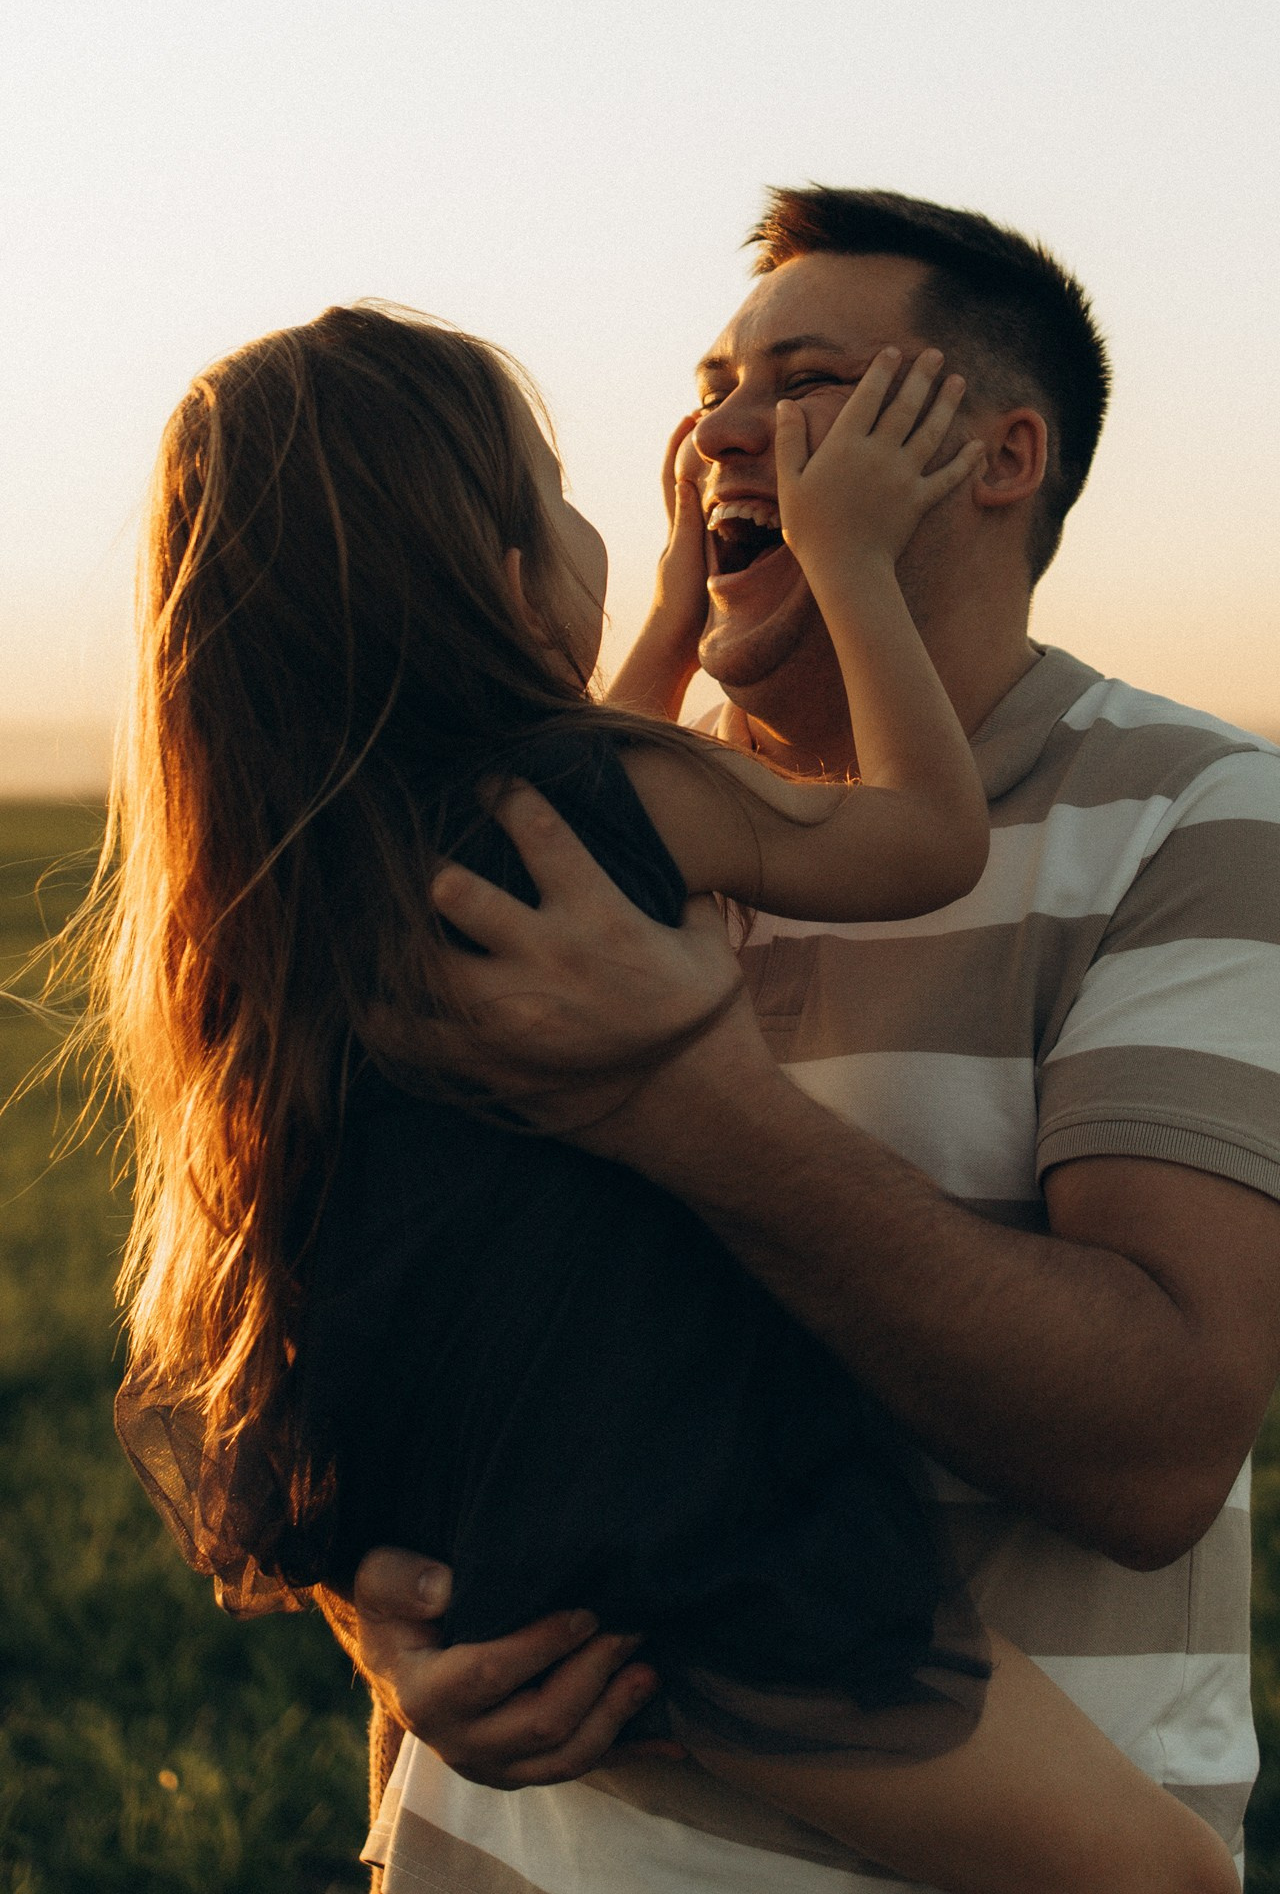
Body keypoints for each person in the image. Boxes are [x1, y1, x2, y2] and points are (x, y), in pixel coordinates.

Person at [98, 300, 1233, 1894]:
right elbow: (924, 835)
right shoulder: (622, 799)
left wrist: (661, 628)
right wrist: (843, 560)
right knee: (1162, 1877)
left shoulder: (302, 870)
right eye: (560, 494)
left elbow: (576, 757)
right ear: (498, 581)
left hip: (499, 1523)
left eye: (816, 385)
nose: (708, 448)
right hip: (707, 1538)